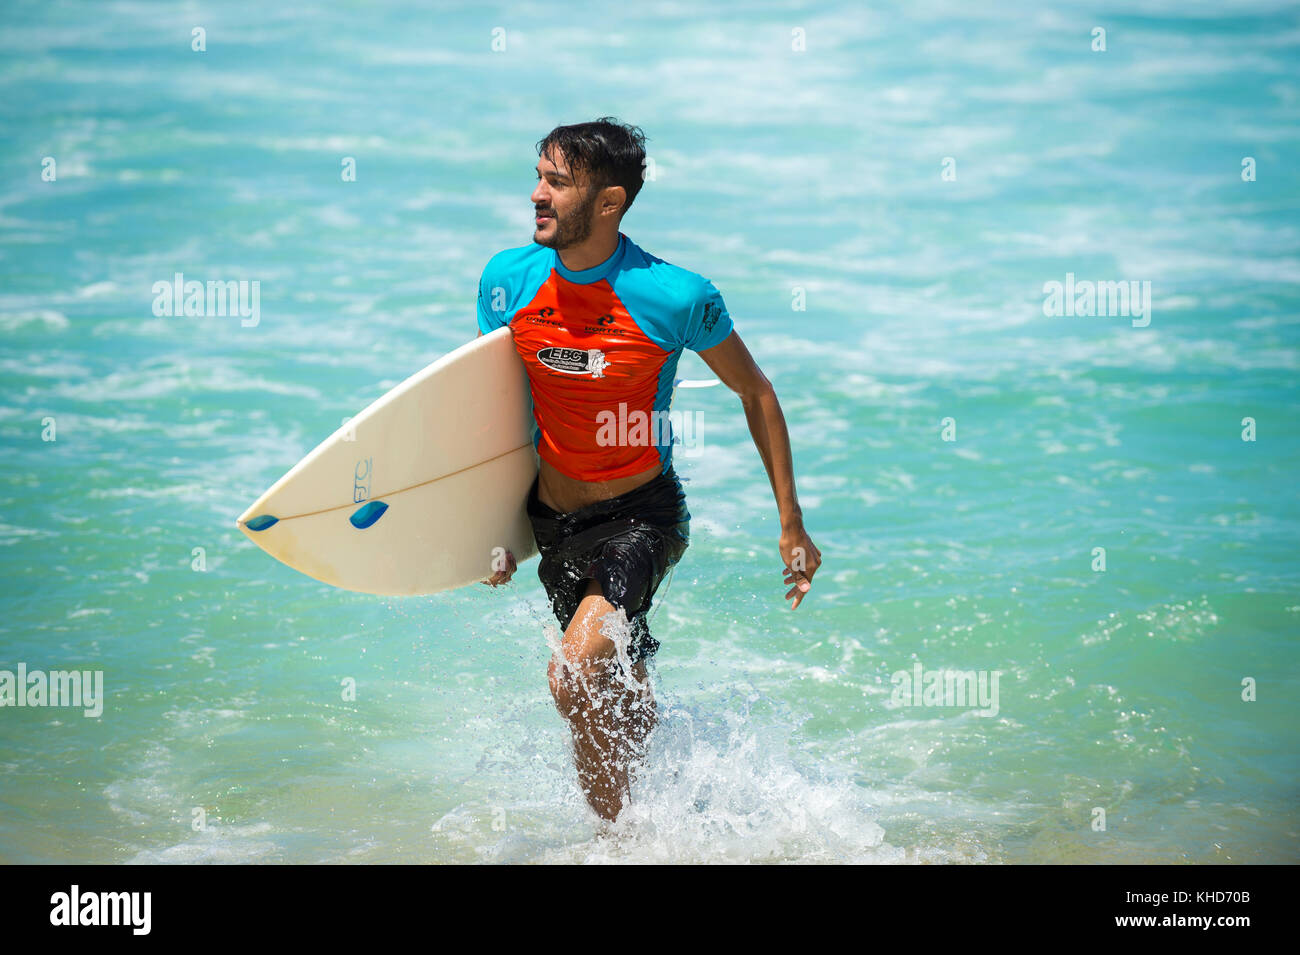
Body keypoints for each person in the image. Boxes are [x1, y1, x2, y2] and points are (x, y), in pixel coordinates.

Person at [476, 117, 821, 821]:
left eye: (556, 183)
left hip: (642, 516)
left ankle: (615, 843)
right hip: (554, 521)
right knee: (613, 686)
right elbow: (494, 419)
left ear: (608, 202)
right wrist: (491, 528)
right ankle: (657, 819)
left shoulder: (675, 295)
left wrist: (791, 522)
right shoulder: (505, 282)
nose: (537, 195)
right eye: (537, 176)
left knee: (574, 671)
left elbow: (755, 391)